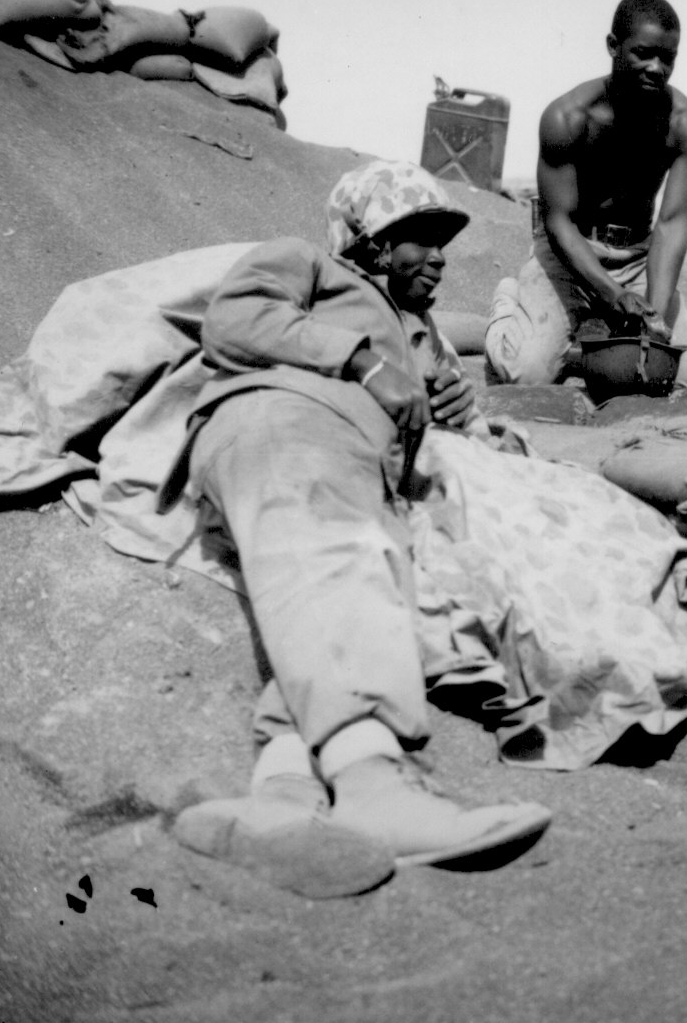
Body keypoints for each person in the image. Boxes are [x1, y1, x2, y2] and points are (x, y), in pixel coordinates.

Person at [172, 159, 552, 896]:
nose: (439, 257)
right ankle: (374, 785)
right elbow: (233, 319)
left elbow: (452, 427)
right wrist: (362, 361)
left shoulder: (422, 334)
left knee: (359, 580)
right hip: (286, 419)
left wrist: (457, 417)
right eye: (419, 237)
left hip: (362, 474)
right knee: (331, 551)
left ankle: (282, 796)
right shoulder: (309, 265)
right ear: (369, 241)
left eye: (444, 240)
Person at [484, 0, 687, 388]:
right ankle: (511, 303)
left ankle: (595, 340)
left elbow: (671, 224)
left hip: (636, 258)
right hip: (568, 254)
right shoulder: (568, 117)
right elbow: (557, 220)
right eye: (642, 53)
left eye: (668, 58)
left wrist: (654, 319)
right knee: (526, 372)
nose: (656, 68)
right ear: (613, 46)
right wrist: (613, 295)